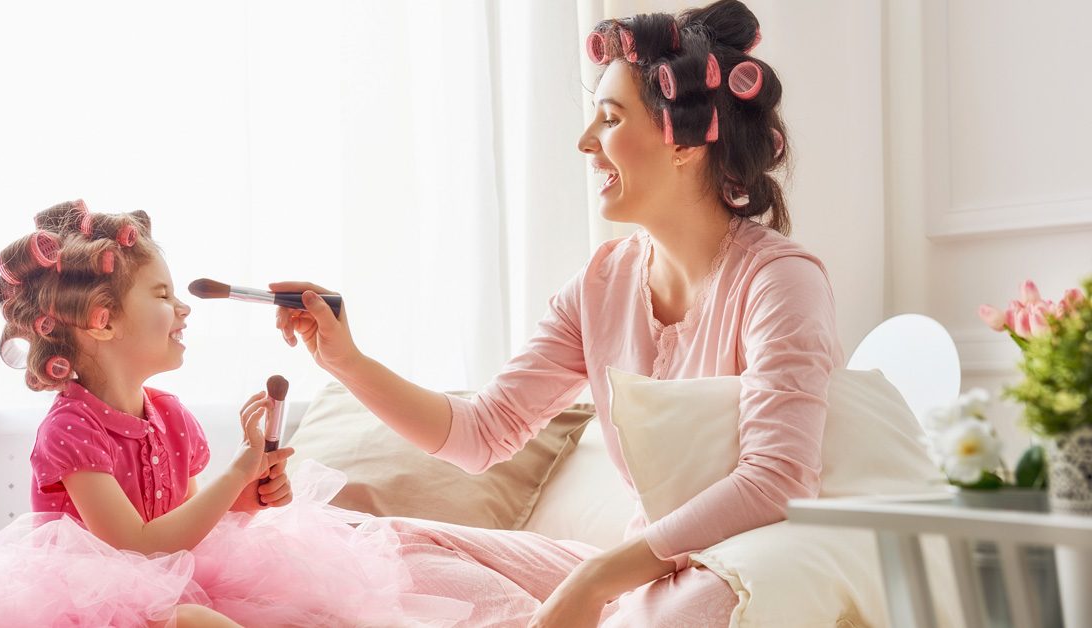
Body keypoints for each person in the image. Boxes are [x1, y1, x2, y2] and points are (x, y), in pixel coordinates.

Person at [271, 1, 844, 626]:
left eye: (610, 118)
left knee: (697, 604)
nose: (586, 142)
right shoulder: (600, 284)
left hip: (735, 572)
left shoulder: (780, 281)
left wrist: (596, 579)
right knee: (371, 544)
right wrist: (347, 361)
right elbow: (481, 433)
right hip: (633, 579)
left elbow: (775, 483)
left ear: (682, 142)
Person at [0, 200, 480, 627]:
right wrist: (233, 475)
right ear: (102, 321)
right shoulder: (70, 429)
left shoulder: (170, 416)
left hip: (171, 587)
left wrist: (246, 498)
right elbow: (137, 548)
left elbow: (192, 534)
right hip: (92, 607)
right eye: (161, 296)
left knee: (311, 615)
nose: (182, 309)